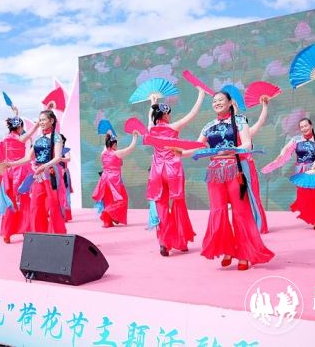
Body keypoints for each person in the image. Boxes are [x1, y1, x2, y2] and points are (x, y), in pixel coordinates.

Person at [188, 91, 274, 270]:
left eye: (221, 100)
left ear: (229, 103)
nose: (217, 103)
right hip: (214, 173)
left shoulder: (240, 121)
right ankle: (227, 249)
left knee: (241, 212)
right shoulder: (209, 126)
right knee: (218, 211)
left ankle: (244, 254)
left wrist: (231, 150)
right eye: (214, 101)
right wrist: (178, 151)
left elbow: (247, 144)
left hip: (234, 169)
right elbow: (196, 146)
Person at [147, 88, 204, 256]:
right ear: (165, 115)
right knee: (178, 204)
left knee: (161, 206)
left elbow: (150, 117)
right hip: (173, 170)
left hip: (157, 171)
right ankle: (181, 241)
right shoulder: (173, 127)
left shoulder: (151, 129)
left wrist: (153, 103)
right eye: (169, 114)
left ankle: (164, 243)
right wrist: (201, 95)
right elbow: (192, 114)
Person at [2, 109, 66, 234]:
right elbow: (28, 158)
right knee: (35, 206)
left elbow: (58, 157)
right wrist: (11, 164)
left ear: (51, 121)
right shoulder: (38, 138)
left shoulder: (57, 137)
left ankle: (57, 234)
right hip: (38, 176)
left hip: (51, 174)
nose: (41, 122)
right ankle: (38, 234)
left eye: (43, 120)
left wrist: (45, 166)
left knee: (53, 206)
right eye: (40, 120)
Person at [270, 118, 315, 229]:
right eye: (301, 127)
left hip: (313, 170)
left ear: (311, 126)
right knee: (305, 196)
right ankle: (310, 216)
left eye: (306, 126)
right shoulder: (296, 139)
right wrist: (281, 155)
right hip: (300, 171)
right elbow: (286, 148)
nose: (304, 128)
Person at [0, 113, 38, 244]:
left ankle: (7, 233)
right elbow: (31, 132)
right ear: (19, 127)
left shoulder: (5, 138)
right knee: (24, 201)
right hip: (20, 170)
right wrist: (38, 123)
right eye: (22, 126)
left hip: (8, 172)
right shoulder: (20, 138)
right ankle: (26, 230)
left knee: (11, 203)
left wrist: (15, 114)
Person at [92, 131, 139, 227]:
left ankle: (107, 222)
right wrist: (134, 137)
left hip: (104, 179)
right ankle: (107, 212)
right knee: (123, 199)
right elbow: (130, 148)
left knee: (108, 200)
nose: (117, 146)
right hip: (114, 179)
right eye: (116, 144)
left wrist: (109, 135)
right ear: (113, 145)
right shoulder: (116, 153)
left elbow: (105, 148)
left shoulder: (103, 153)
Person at [246, 96, 271, 233]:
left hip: (247, 167)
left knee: (253, 195)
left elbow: (260, 121)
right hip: (233, 168)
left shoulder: (247, 133)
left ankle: (258, 224)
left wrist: (265, 107)